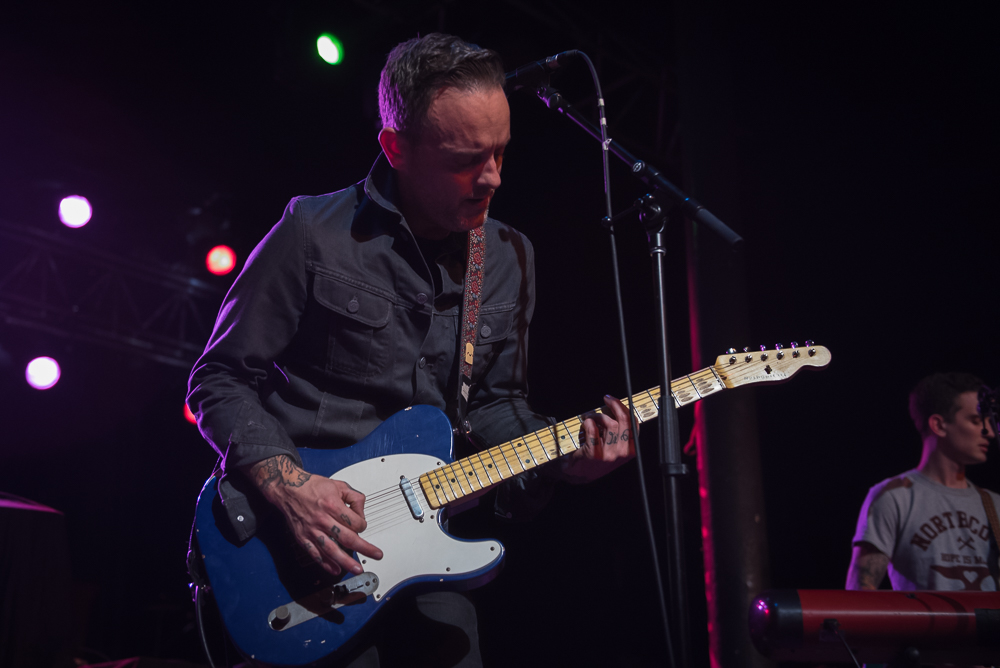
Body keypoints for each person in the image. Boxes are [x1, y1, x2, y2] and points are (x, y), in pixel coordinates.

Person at [187, 33, 635, 666]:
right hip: (289, 549)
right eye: (466, 159)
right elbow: (219, 378)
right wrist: (292, 489)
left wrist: (564, 459)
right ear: (396, 148)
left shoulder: (509, 256)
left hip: (422, 550)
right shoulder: (313, 232)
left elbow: (496, 405)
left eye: (501, 151)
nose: (492, 177)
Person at [846, 372, 999, 591]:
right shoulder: (894, 496)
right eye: (976, 421)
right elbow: (860, 593)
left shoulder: (995, 505)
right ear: (939, 425)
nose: (990, 432)